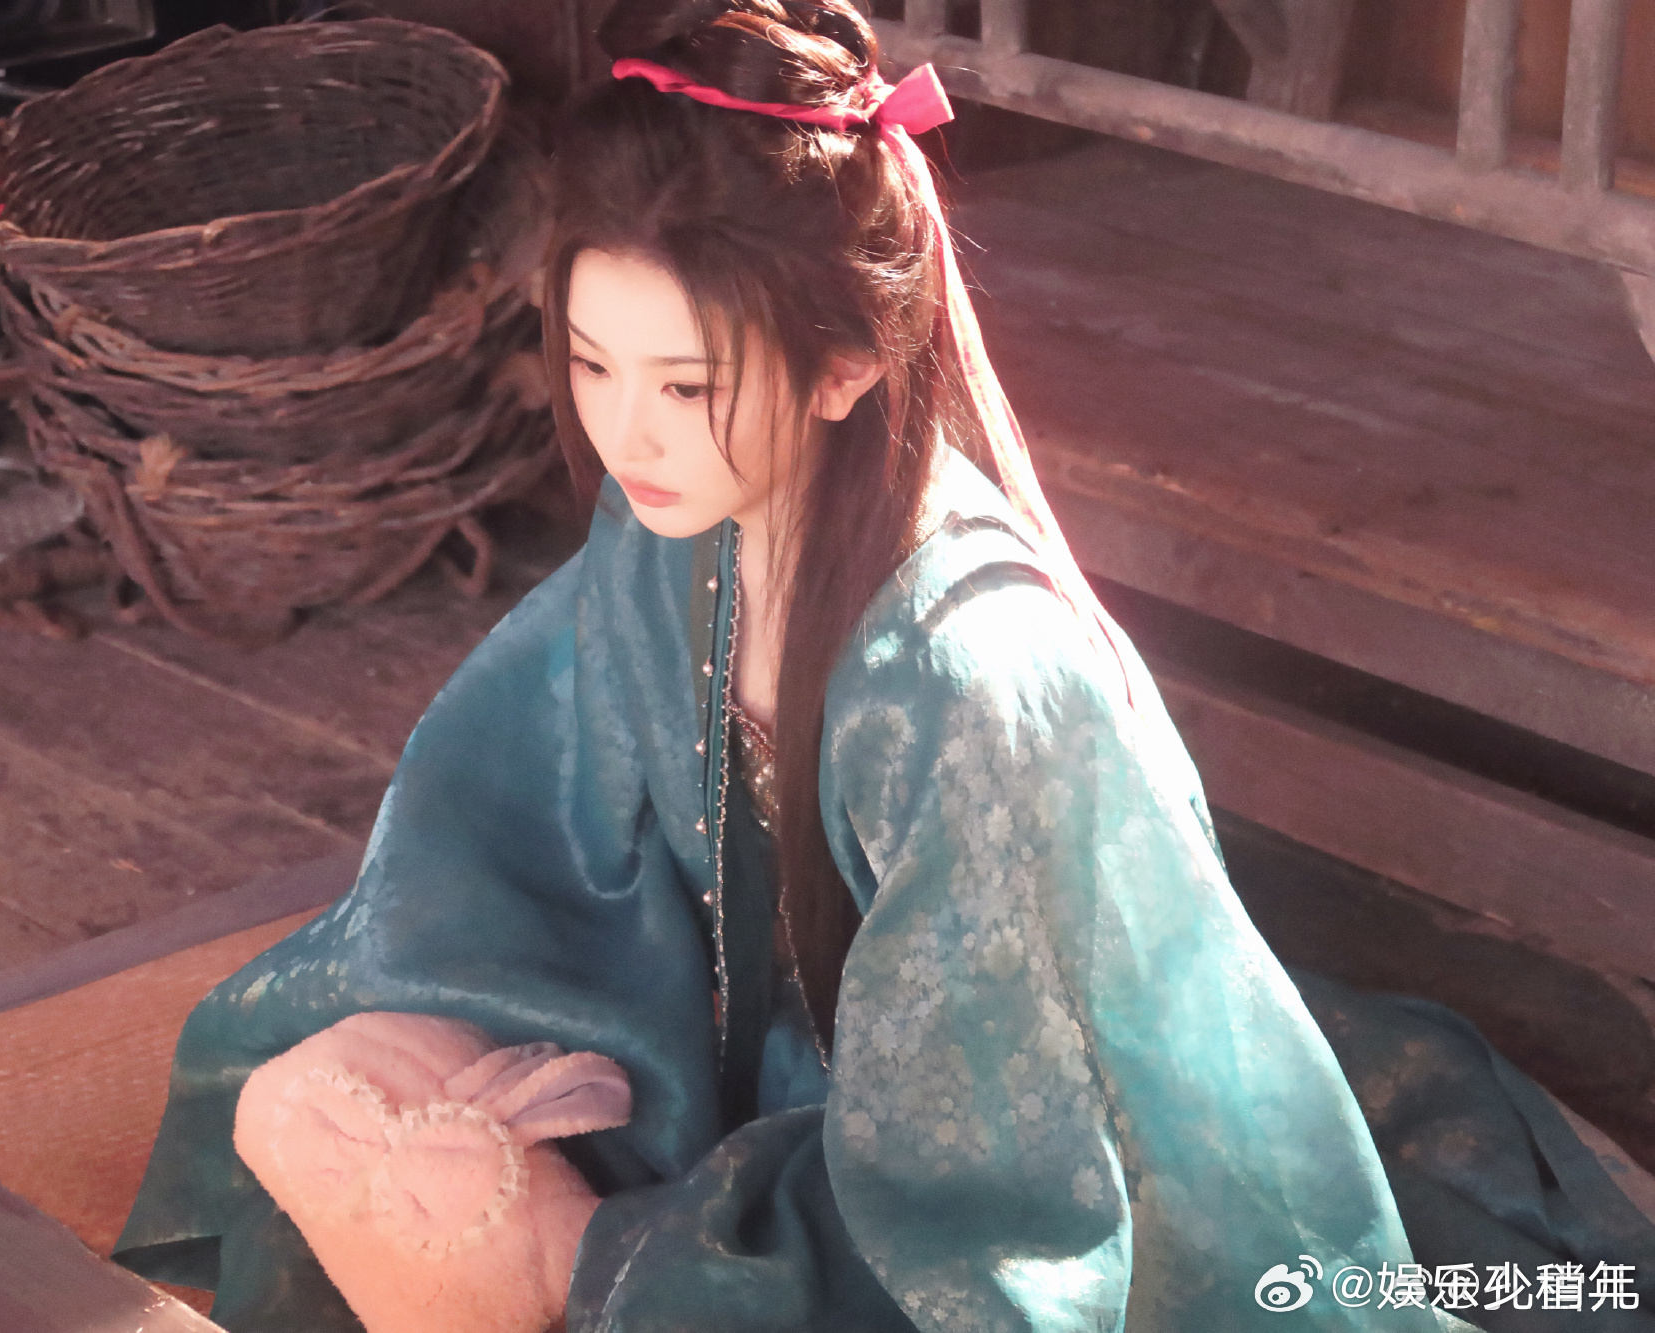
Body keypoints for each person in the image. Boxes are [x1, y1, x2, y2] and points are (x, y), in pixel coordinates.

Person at [114, 3, 1655, 1328]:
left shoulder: (968, 686)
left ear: (849, 361)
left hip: (1018, 1144)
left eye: (686, 383)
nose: (626, 430)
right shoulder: (675, 519)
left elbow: (995, 1206)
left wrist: (616, 1253)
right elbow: (505, 828)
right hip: (800, 1056)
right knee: (304, 1082)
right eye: (591, 362)